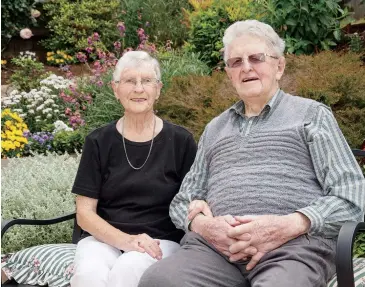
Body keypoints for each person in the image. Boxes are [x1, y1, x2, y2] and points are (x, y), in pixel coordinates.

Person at [138, 20, 365, 287]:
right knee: (158, 281)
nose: (246, 67)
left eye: (256, 58)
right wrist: (202, 225)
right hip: (215, 252)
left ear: (279, 66)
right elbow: (183, 201)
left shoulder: (311, 116)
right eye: (236, 62)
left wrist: (290, 224)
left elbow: (352, 194)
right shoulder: (215, 129)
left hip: (291, 249)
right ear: (229, 73)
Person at [70, 51, 197, 287]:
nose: (138, 89)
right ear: (115, 89)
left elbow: (194, 202)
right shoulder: (98, 141)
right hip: (103, 238)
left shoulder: (181, 141)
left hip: (159, 241)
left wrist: (137, 245)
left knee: (128, 270)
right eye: (129, 81)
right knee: (89, 274)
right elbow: (85, 214)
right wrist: (126, 241)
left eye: (146, 81)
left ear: (158, 89)